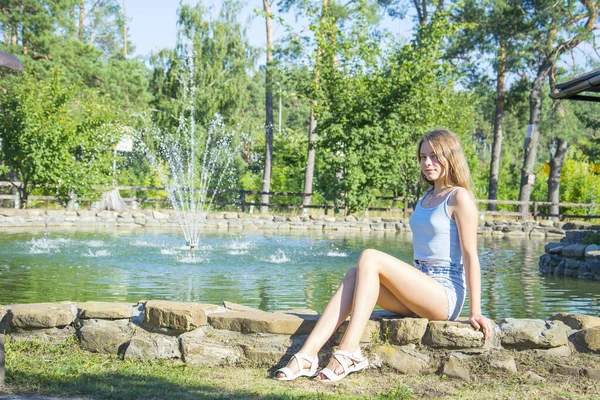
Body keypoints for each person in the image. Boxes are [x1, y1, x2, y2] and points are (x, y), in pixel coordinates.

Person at [274, 129, 493, 382]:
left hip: (444, 293)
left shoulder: (459, 197)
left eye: (434, 156)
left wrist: (475, 310)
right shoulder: (426, 197)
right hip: (420, 286)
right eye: (422, 157)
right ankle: (308, 355)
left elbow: (470, 255)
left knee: (371, 256)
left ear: (450, 156)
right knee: (353, 276)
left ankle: (348, 351)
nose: (427, 163)